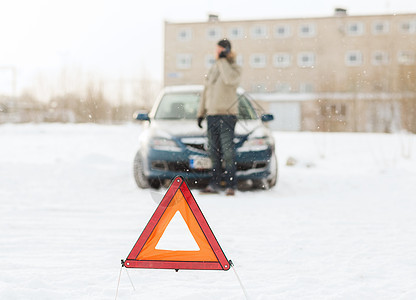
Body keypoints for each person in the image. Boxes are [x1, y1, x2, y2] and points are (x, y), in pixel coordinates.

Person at [197, 38, 242, 196]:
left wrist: (223, 61)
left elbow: (230, 79)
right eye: (216, 50)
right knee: (214, 153)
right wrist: (200, 113)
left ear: (226, 51)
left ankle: (231, 185)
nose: (216, 53)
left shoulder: (235, 68)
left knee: (228, 153)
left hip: (227, 116)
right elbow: (206, 91)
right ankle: (214, 184)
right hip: (212, 115)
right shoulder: (213, 68)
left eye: (219, 50)